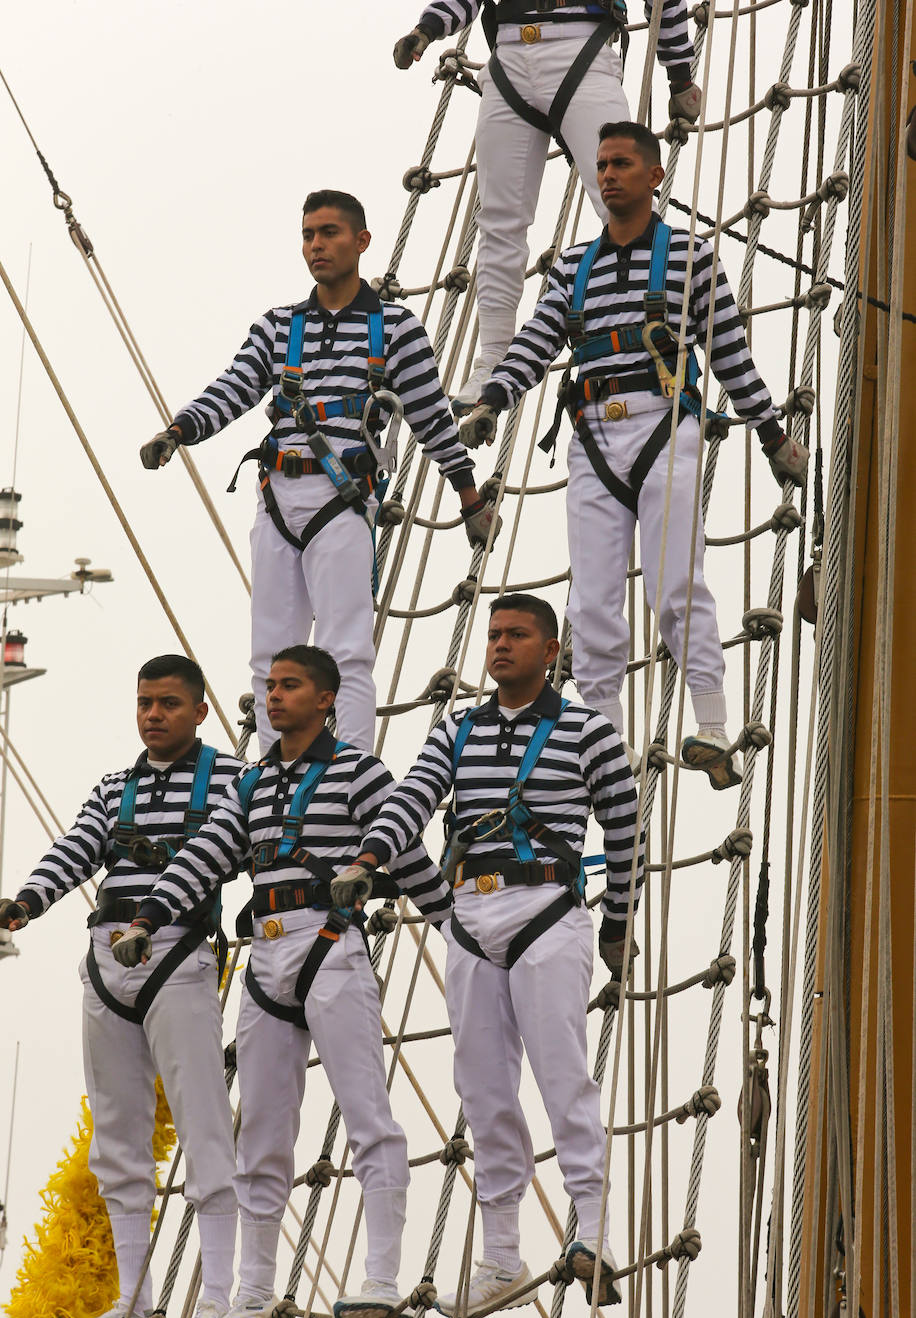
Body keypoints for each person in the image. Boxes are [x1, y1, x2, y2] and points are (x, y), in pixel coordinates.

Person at [123, 645, 454, 1318]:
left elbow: (402, 848)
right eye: (270, 686)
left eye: (290, 686)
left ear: (326, 698)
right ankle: (252, 1291)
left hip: (330, 944)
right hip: (265, 953)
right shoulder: (253, 784)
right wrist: (150, 917)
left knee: (369, 1116)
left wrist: (453, 924)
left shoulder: (359, 771)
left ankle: (382, 1277)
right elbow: (208, 854)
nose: (273, 698)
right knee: (260, 1138)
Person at [458, 122, 809, 787]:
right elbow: (535, 343)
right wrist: (493, 400)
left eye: (622, 164)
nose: (608, 174)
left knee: (675, 584)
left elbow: (729, 352)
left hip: (662, 424)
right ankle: (604, 756)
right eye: (601, 165)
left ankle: (711, 727)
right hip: (592, 436)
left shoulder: (692, 257)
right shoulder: (571, 267)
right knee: (591, 607)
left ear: (654, 177)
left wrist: (769, 433)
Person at [332, 594, 643, 1316]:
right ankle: (501, 1256)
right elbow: (413, 797)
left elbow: (626, 830)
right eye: (494, 635)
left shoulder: (590, 733)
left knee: (565, 1077)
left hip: (547, 911)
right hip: (470, 915)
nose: (500, 646)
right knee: (483, 1092)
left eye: (517, 636)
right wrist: (370, 855)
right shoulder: (455, 731)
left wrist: (618, 922)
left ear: (551, 649)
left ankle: (590, 1231)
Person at [139, 190, 496, 755]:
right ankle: (269, 774)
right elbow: (234, 388)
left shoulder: (396, 329)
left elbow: (430, 416)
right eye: (308, 235)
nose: (316, 246)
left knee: (345, 648)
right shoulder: (279, 326)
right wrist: (180, 431)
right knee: (270, 651)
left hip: (343, 500)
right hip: (277, 494)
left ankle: (351, 765)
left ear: (361, 242)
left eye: (328, 233)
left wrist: (467, 493)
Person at [0, 655, 241, 1318]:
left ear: (199, 710)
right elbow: (77, 849)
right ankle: (134, 1300)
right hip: (107, 962)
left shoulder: (229, 779)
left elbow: (244, 845)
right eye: (144, 703)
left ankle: (219, 1298)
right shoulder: (115, 788)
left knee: (203, 1129)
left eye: (168, 703)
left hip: (178, 953)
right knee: (117, 1141)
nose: (153, 715)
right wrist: (25, 903)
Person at [393, 1, 701, 412]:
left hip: (581, 49)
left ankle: (655, 334)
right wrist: (425, 30)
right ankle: (493, 360)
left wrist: (679, 75)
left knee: (626, 207)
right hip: (509, 60)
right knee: (498, 221)